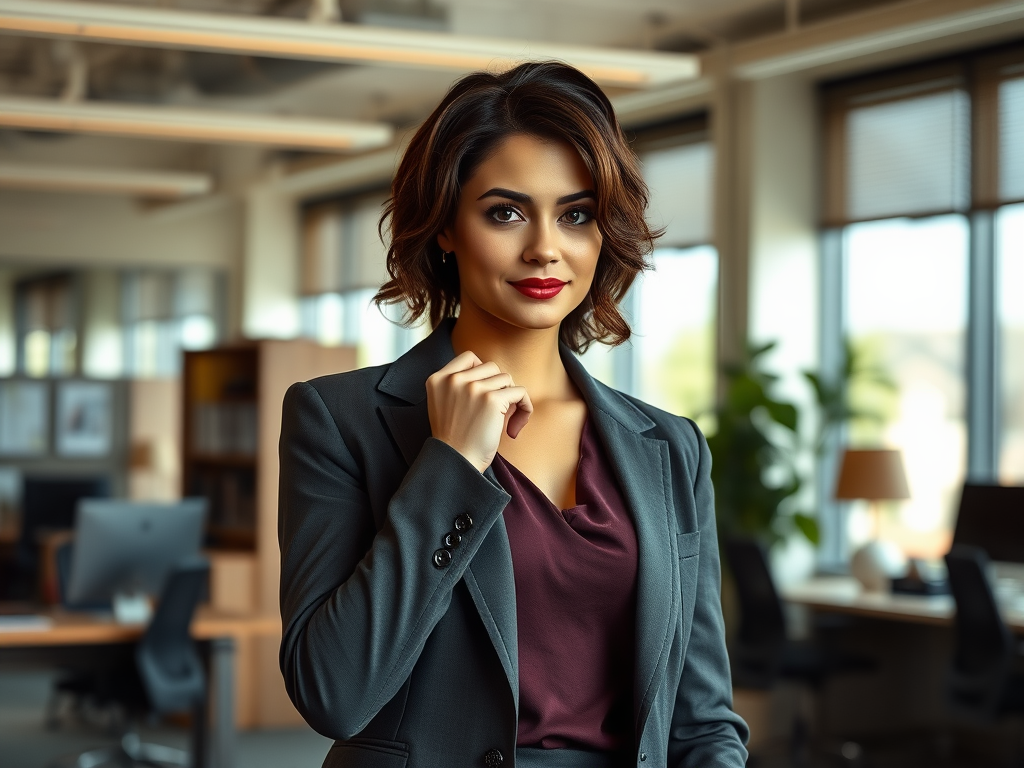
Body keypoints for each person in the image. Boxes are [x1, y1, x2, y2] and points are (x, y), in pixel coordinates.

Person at [278, 61, 748, 768]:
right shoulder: (339, 419)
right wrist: (449, 466)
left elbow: (702, 719)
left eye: (576, 214)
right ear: (445, 228)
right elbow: (333, 694)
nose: (544, 248)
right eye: (505, 212)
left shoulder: (672, 448)